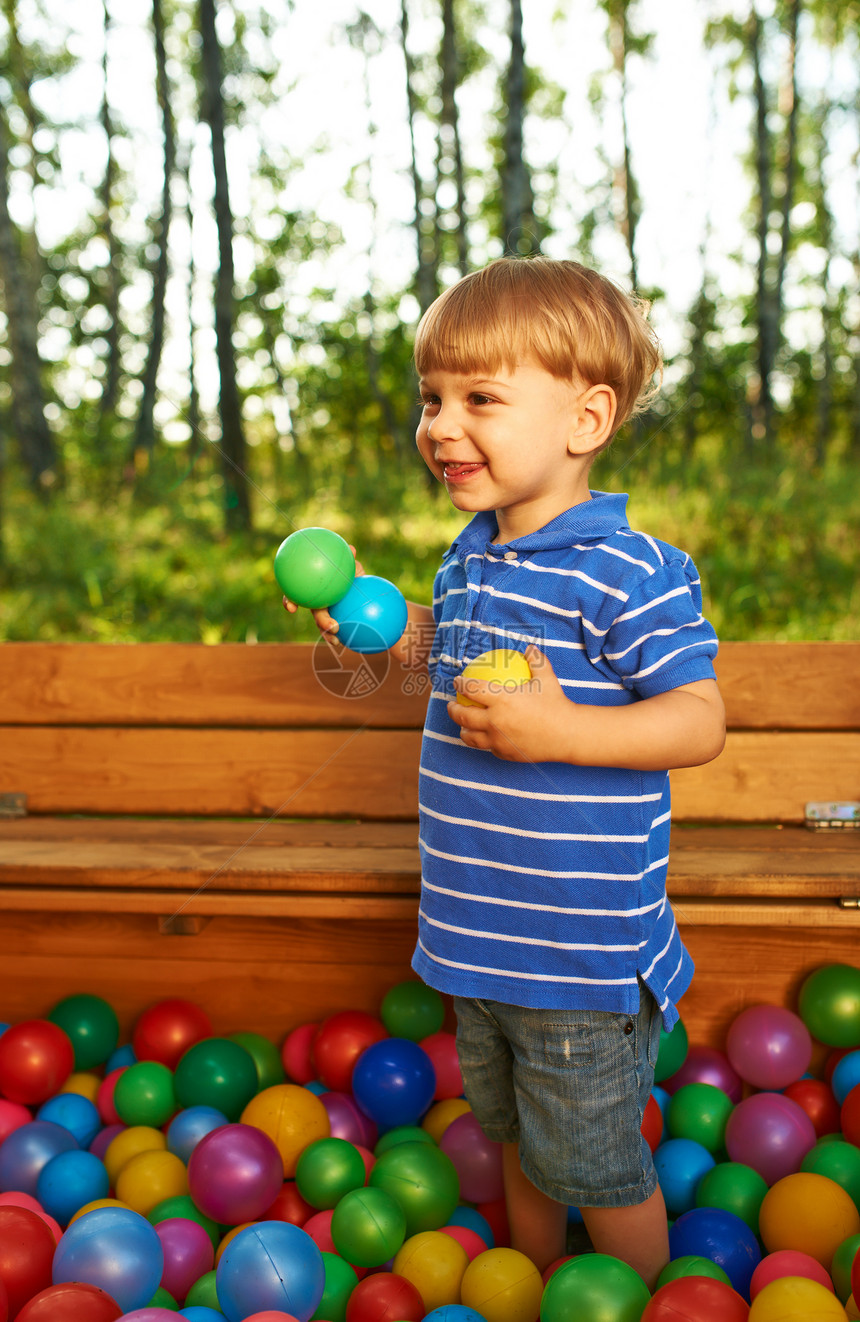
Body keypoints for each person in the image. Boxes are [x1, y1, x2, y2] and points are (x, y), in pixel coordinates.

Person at [284, 256, 725, 1289]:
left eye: (479, 397)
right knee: (518, 1137)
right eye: (431, 398)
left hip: (574, 948)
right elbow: (457, 661)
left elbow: (697, 718)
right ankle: (530, 1281)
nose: (440, 425)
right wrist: (380, 630)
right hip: (478, 935)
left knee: (601, 1166)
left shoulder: (628, 569)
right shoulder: (469, 557)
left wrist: (561, 732)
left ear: (584, 419)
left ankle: (651, 1301)